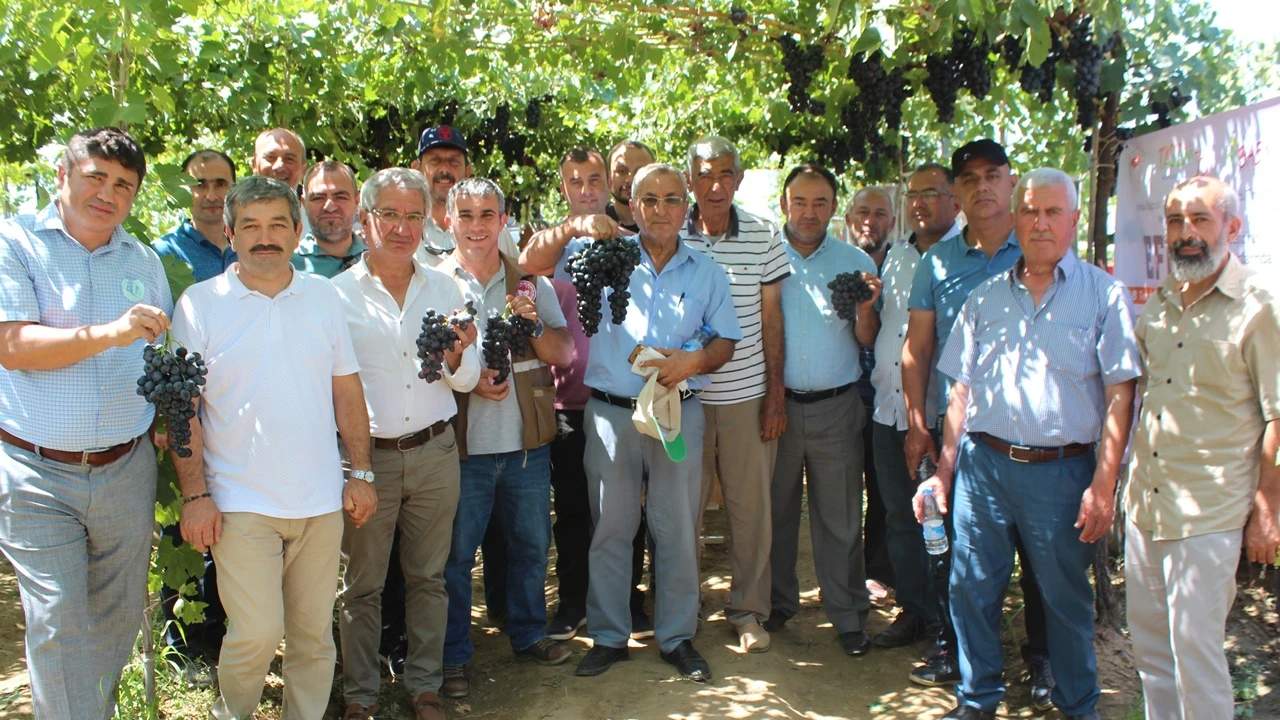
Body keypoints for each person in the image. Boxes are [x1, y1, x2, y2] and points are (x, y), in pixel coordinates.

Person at [915, 168, 1140, 720]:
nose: (1041, 223)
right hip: (983, 469)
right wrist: (945, 473)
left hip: (1062, 475)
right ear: (1016, 218)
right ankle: (977, 699)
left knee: (1064, 601)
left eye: (1053, 212)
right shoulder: (985, 298)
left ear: (1073, 221)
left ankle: (1077, 706)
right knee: (972, 592)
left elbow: (1120, 396)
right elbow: (960, 391)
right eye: (1031, 211)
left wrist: (1103, 486)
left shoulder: (1103, 296)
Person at [169, 175, 378, 720]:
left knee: (313, 637)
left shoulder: (323, 297)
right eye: (251, 227)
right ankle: (231, 713)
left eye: (277, 225)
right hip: (239, 500)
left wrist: (361, 473)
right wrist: (195, 496)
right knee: (257, 632)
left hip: (319, 498)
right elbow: (181, 407)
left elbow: (346, 390)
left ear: (296, 231)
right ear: (231, 233)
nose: (265, 238)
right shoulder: (199, 305)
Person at [0, 127, 171, 719]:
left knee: (117, 614)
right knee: (57, 617)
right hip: (36, 473)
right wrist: (112, 332)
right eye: (95, 176)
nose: (108, 192)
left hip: (125, 467)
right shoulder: (15, 242)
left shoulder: (143, 261)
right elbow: (12, 345)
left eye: (123, 185)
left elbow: (161, 363)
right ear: (62, 176)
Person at [571, 163, 741, 681]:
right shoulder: (599, 257)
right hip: (611, 416)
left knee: (675, 529)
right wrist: (578, 225)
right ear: (632, 204)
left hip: (677, 414)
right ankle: (607, 636)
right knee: (611, 529)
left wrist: (692, 362)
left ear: (685, 206)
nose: (661, 209)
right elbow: (531, 264)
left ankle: (676, 637)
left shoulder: (707, 271)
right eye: (649, 199)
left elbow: (726, 341)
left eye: (671, 199)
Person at [900, 140, 1054, 705]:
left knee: (1038, 555)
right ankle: (954, 648)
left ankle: (1042, 661)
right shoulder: (937, 262)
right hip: (955, 436)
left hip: (1033, 437)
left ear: (1011, 183)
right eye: (969, 179)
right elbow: (917, 348)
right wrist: (918, 421)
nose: (982, 187)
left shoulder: (1040, 247)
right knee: (952, 549)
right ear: (957, 193)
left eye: (993, 175)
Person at [1124, 175, 1280, 720]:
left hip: (1209, 516)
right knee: (1152, 656)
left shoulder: (1260, 306)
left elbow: (1277, 414)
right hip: (1147, 507)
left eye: (1199, 219)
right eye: (1174, 221)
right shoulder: (1160, 304)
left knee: (1196, 658)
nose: (1185, 233)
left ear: (1232, 227)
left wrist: (1266, 511)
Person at [331, 168, 481, 720]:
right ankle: (361, 696)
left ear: (427, 222)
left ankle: (424, 686)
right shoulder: (334, 296)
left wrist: (457, 356)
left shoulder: (448, 287)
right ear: (365, 218)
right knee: (363, 587)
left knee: (428, 578)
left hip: (436, 453)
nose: (401, 228)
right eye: (389, 215)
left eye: (413, 216)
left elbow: (466, 382)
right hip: (367, 460)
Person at [436, 178, 575, 698]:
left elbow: (564, 354)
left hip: (525, 448)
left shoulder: (529, 284)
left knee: (531, 547)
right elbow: (421, 364)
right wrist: (471, 385)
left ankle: (528, 633)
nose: (477, 225)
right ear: (449, 219)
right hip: (460, 449)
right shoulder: (434, 284)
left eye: (487, 214)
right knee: (453, 559)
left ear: (503, 221)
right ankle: (452, 657)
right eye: (466, 214)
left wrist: (536, 326)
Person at [517, 146, 656, 641]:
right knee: (575, 510)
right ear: (564, 189)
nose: (586, 189)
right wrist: (573, 228)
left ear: (608, 181)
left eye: (594, 178)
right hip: (568, 400)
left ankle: (627, 599)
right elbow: (527, 264)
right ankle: (574, 601)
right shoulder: (556, 242)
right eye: (574, 181)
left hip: (622, 399)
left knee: (626, 510)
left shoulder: (633, 240)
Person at [680, 135, 789, 653]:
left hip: (747, 400)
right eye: (704, 174)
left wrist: (775, 396)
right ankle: (684, 609)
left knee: (751, 512)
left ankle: (748, 611)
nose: (715, 184)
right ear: (690, 182)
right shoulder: (669, 236)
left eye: (725, 173)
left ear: (740, 179)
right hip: (685, 401)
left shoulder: (765, 238)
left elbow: (772, 320)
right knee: (682, 510)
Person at [769, 164, 881, 655]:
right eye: (800, 202)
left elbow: (867, 339)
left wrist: (865, 308)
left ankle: (849, 613)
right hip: (777, 407)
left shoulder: (856, 262)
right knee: (774, 514)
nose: (809, 212)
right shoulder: (766, 256)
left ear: (834, 207)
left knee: (839, 519)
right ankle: (775, 603)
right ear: (784, 205)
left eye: (820, 202)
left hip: (838, 408)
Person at [869, 163, 961, 650]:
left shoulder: (968, 258)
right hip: (889, 411)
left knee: (942, 520)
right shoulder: (897, 256)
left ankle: (950, 622)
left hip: (940, 417)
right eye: (914, 195)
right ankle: (915, 612)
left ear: (956, 200)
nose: (921, 203)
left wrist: (924, 422)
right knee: (899, 519)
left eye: (932, 193)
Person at [843, 185, 898, 607]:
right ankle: (845, 573)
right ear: (848, 219)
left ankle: (878, 571)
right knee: (843, 485)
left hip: (888, 391)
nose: (870, 220)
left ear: (892, 223)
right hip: (845, 391)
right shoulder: (839, 265)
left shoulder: (905, 267)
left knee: (883, 485)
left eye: (879, 213)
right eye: (862, 212)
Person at [412, 126, 519, 266]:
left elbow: (517, 278)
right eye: (435, 161)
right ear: (416, 169)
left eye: (453, 162)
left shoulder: (493, 229)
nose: (444, 169)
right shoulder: (406, 227)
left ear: (467, 172)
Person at [154, 149, 238, 281]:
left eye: (220, 184)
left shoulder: (250, 249)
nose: (211, 196)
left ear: (234, 189)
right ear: (183, 190)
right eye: (200, 185)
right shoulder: (162, 253)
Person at [291, 160, 367, 277]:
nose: (330, 207)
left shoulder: (379, 258)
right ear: (304, 203)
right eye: (318, 198)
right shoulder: (288, 267)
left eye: (341, 197)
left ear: (357, 202)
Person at [605, 140, 657, 233]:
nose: (630, 179)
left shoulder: (668, 221)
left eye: (639, 171)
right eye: (621, 171)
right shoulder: (596, 219)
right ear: (608, 177)